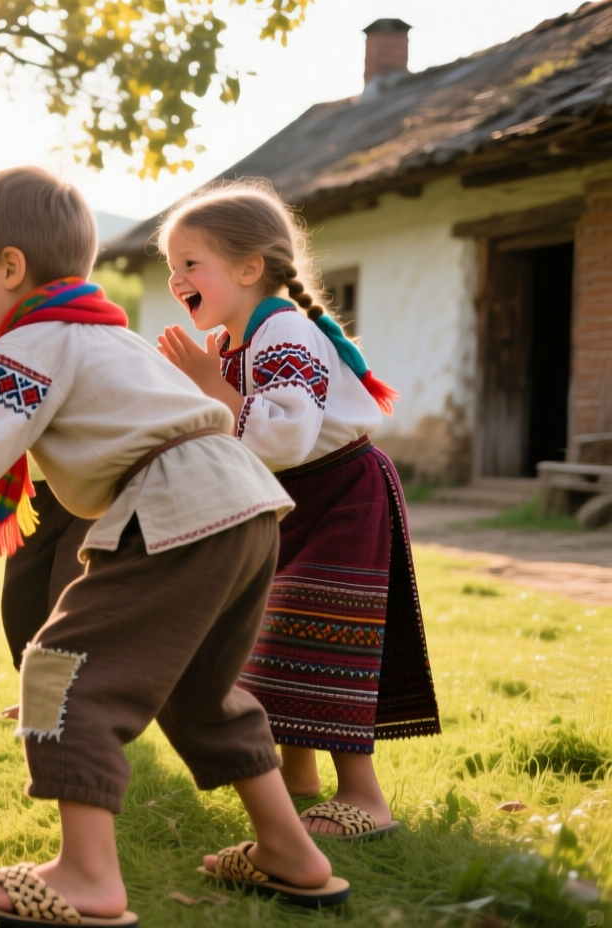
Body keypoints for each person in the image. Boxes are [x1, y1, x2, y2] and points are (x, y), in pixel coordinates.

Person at [0, 166, 348, 924]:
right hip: (243, 509)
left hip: (176, 508)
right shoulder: (106, 333)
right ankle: (291, 852)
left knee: (57, 671)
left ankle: (86, 877)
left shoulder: (38, 336)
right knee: (201, 691)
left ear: (11, 267)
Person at [155, 181, 440, 840]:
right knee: (270, 634)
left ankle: (365, 797)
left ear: (249, 268)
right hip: (292, 499)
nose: (176, 278)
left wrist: (210, 387)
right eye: (172, 267)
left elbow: (284, 433)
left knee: (324, 635)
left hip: (341, 494)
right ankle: (298, 773)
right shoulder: (238, 338)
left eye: (190, 263)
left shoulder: (283, 329)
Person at [0, 338, 93, 720]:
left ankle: (69, 703)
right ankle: (39, 697)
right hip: (29, 495)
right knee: (20, 600)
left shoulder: (75, 345)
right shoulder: (7, 354)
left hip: (84, 490)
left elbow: (63, 421)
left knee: (68, 595)